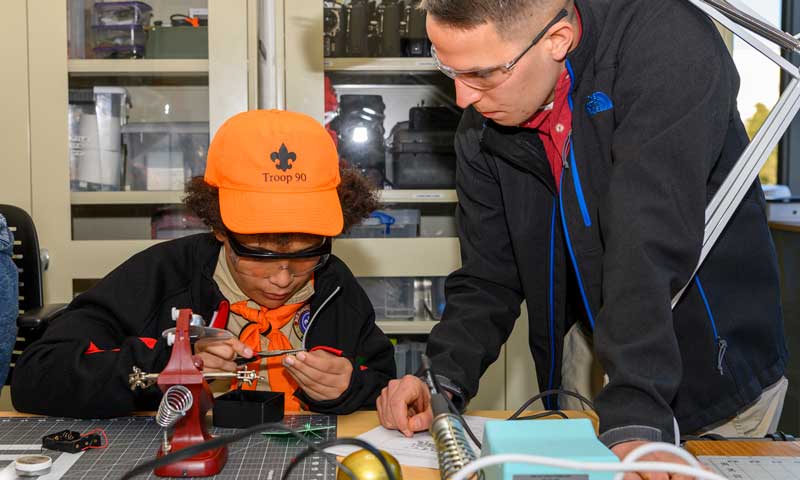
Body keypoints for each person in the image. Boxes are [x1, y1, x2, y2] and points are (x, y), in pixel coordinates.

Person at [376, 0, 787, 477]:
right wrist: (442, 379)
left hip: (713, 365)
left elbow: (644, 242)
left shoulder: (668, 43)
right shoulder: (482, 127)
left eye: (482, 74)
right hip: (592, 350)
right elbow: (488, 276)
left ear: (557, 40)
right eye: (447, 68)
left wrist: (636, 414)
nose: (462, 98)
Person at [12, 109, 396, 418]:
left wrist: (349, 388)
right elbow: (37, 375)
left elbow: (381, 380)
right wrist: (168, 366)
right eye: (258, 253)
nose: (283, 278)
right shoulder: (162, 275)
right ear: (219, 226)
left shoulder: (333, 284)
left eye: (305, 252)